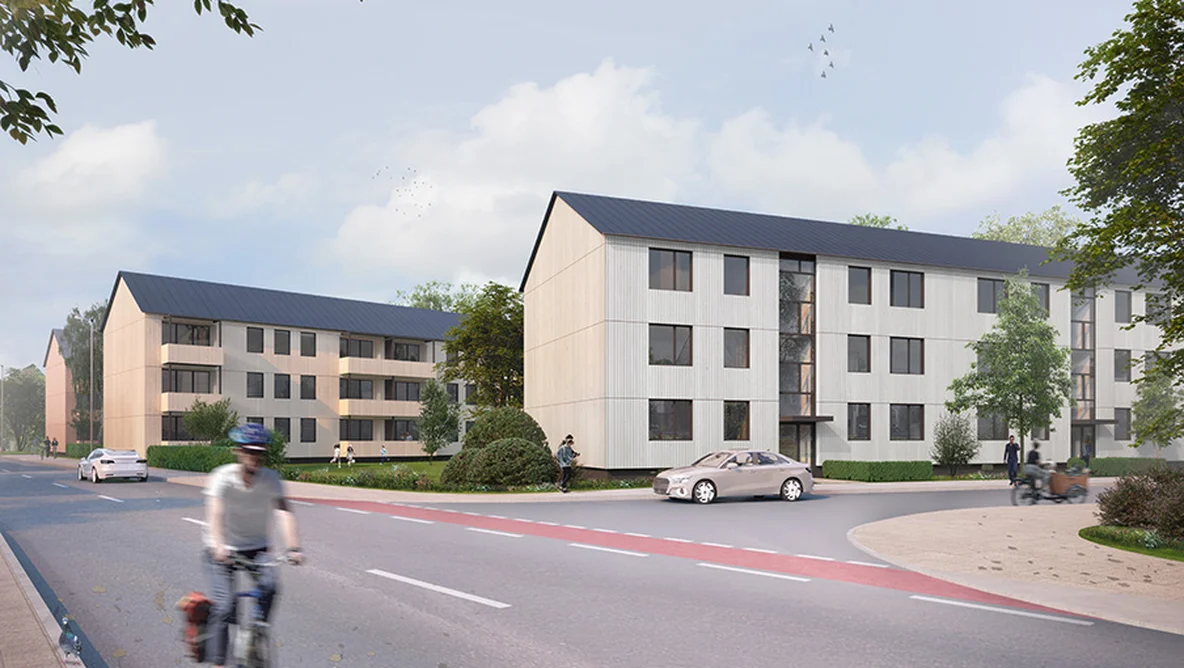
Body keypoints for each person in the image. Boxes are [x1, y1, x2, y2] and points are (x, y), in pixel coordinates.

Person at [202, 423, 304, 668]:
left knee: (270, 586)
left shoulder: (271, 479)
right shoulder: (222, 477)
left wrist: (294, 547)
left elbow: (283, 512)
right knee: (225, 606)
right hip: (222, 550)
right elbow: (215, 514)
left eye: (259, 451)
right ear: (238, 451)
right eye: (249, 450)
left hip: (257, 548)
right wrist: (218, 545)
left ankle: (257, 631)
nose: (254, 456)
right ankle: (217, 662)